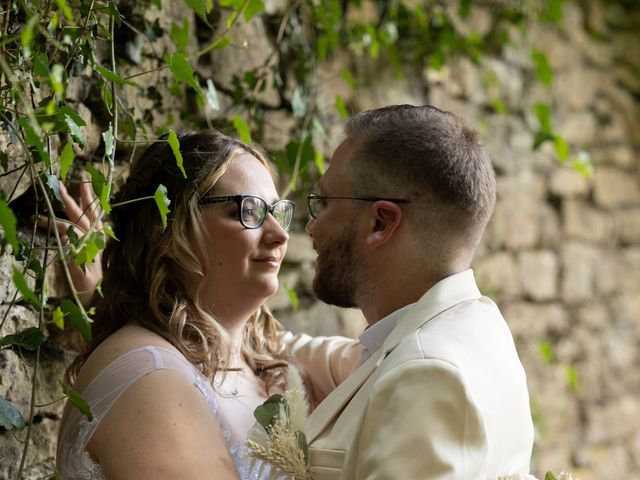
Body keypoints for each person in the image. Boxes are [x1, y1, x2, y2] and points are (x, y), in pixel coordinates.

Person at [54, 129, 361, 479]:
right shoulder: (150, 377)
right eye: (249, 210)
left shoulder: (264, 357)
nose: (280, 234)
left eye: (277, 211)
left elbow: (395, 360)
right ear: (168, 226)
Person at [287, 105, 534, 479]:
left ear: (380, 223)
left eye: (324, 202)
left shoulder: (428, 373)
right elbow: (342, 359)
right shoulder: (473, 325)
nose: (311, 226)